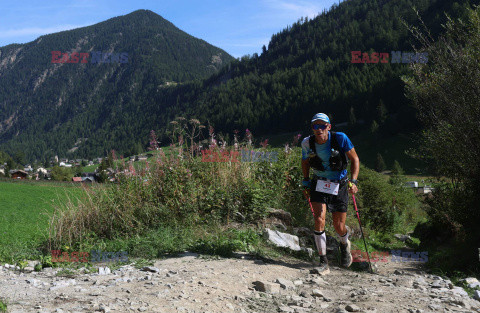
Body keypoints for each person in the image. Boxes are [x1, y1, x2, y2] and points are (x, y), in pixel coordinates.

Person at [301, 113, 359, 274]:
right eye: (315, 126)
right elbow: (305, 161)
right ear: (312, 128)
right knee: (319, 218)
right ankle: (323, 261)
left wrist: (353, 182)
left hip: (339, 184)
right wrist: (305, 182)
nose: (319, 129)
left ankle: (344, 244)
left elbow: (355, 159)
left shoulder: (340, 138)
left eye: (322, 125)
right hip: (319, 183)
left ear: (329, 127)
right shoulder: (307, 142)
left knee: (338, 225)